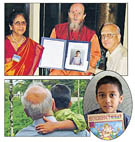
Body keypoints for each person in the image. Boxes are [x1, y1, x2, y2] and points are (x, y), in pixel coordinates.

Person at [16, 82, 89, 137]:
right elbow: (83, 121)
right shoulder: (82, 133)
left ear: (26, 112)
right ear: (53, 104)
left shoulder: (20, 136)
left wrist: (55, 125)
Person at [49, 3, 101, 75]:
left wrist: (86, 67)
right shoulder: (57, 30)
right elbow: (51, 49)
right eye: (73, 12)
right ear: (69, 14)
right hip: (59, 69)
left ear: (84, 16)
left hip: (79, 70)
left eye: (79, 13)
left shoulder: (91, 35)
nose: (75, 16)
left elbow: (95, 55)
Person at [5, 10, 44, 76]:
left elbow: (31, 73)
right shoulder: (4, 43)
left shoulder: (33, 46)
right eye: (17, 23)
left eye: (23, 23)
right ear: (11, 26)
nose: (21, 26)